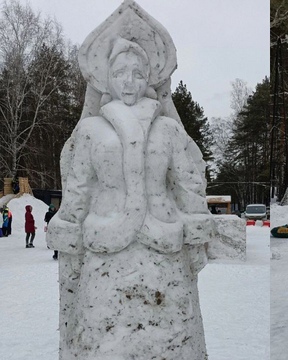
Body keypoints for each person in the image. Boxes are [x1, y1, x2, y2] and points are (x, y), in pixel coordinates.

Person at [46, 33, 215, 359]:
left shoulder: (167, 129)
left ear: (149, 78)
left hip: (163, 250)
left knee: (171, 340)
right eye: (121, 73)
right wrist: (67, 236)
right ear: (106, 78)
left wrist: (197, 233)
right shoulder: (90, 130)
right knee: (104, 339)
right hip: (106, 250)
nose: (129, 82)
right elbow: (77, 192)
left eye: (138, 73)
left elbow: (188, 185)